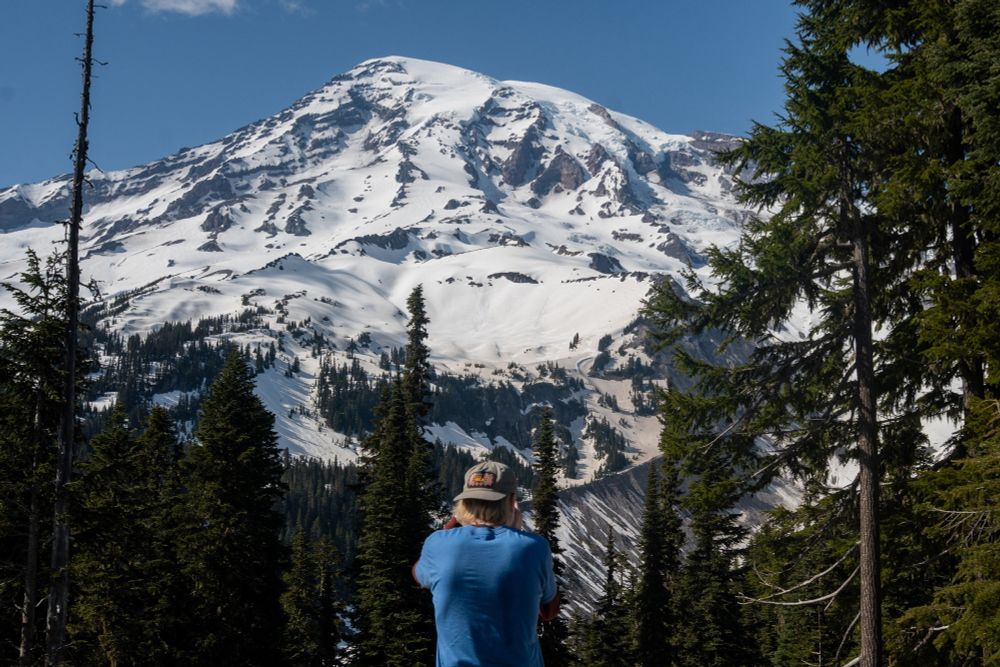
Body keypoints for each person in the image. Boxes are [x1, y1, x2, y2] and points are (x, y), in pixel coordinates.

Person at [413, 460, 560, 667]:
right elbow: (549, 610)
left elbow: (419, 573)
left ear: (464, 502)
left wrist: (453, 525)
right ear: (511, 502)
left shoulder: (437, 543)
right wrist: (516, 534)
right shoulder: (534, 548)